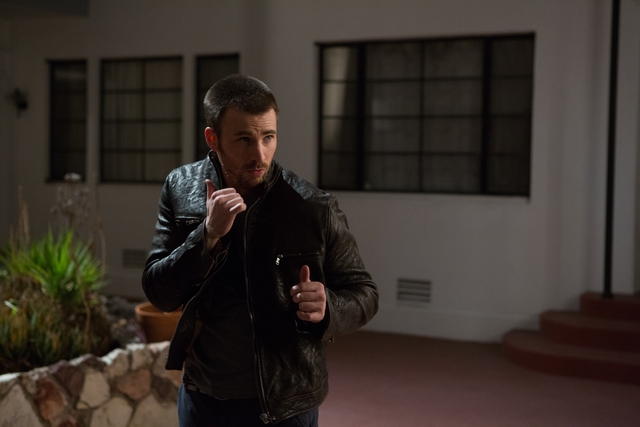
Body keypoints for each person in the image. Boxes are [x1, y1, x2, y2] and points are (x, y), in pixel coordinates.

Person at [142, 74, 378, 426]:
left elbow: (365, 293)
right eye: (244, 139)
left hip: (285, 404)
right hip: (202, 398)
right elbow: (159, 293)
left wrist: (328, 306)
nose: (260, 154)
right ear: (213, 138)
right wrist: (206, 236)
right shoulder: (180, 188)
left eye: (268, 137)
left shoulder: (311, 207)